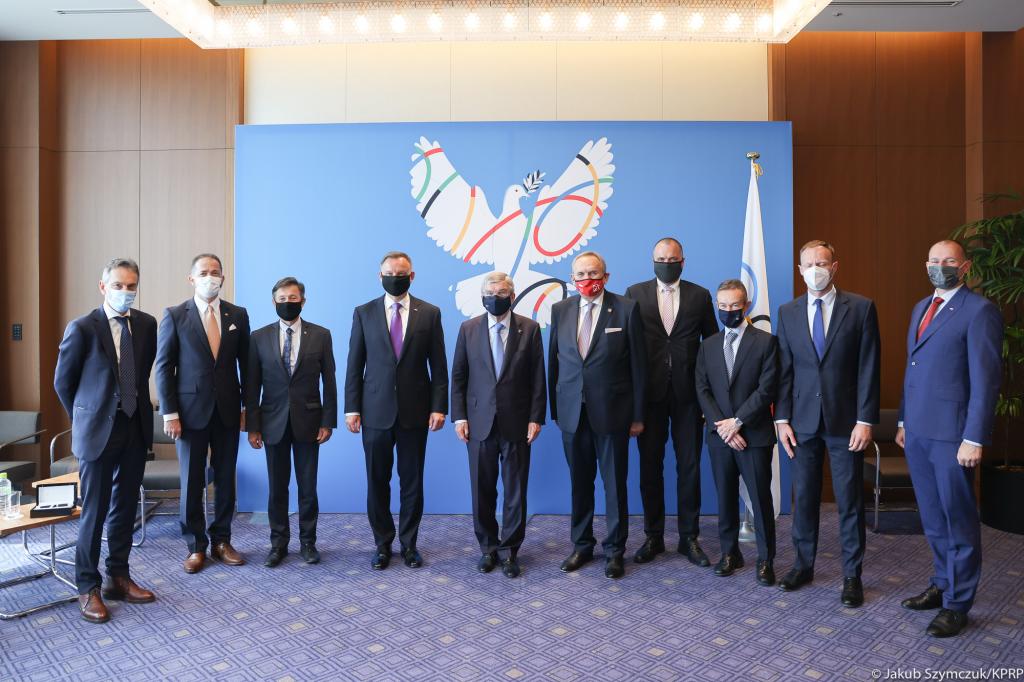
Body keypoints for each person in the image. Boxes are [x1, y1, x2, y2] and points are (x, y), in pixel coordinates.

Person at [895, 240, 1002, 638]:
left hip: (953, 436)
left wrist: (974, 437)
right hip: (918, 432)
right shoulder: (921, 307)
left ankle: (958, 603)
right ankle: (942, 583)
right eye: (934, 261)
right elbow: (914, 369)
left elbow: (985, 380)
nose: (940, 267)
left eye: (949, 261)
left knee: (957, 520)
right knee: (933, 517)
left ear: (965, 267)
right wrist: (903, 420)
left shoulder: (980, 311)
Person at [774, 239, 880, 607]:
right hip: (801, 422)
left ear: (834, 267)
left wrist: (865, 420)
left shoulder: (861, 308)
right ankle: (803, 565)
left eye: (822, 263)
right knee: (804, 497)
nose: (815, 269)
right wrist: (782, 418)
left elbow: (869, 368)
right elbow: (784, 370)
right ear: (800, 270)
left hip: (846, 423)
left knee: (849, 501)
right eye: (809, 264)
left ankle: (852, 575)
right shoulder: (787, 312)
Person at [54, 258, 158, 623]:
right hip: (97, 431)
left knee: (125, 508)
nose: (125, 292)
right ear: (103, 287)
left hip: (134, 427)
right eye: (118, 285)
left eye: (131, 286)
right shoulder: (82, 327)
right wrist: (86, 418)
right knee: (94, 511)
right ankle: (88, 586)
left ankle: (118, 577)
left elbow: (142, 373)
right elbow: (63, 383)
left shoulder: (147, 324)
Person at [344, 252, 448, 570]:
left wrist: (439, 407)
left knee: (412, 482)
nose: (394, 278)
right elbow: (354, 364)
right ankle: (382, 544)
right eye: (389, 273)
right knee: (377, 481)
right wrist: (351, 408)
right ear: (380, 276)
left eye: (401, 273)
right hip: (374, 412)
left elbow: (439, 366)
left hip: (415, 412)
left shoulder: (430, 313)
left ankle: (409, 544)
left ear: (411, 276)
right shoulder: (364, 312)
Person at [548, 251, 646, 580]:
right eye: (580, 274)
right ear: (572, 278)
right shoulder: (560, 309)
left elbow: (639, 367)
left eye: (593, 273)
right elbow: (554, 362)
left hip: (614, 413)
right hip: (572, 413)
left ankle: (615, 550)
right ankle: (582, 545)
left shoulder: (626, 308)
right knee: (579, 484)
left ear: (606, 276)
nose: (587, 279)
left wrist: (638, 415)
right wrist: (556, 409)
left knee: (614, 485)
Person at [625, 237, 718, 566]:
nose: (666, 263)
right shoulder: (635, 294)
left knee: (689, 468)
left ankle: (688, 537)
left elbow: (712, 346)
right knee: (650, 468)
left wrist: (710, 401)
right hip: (649, 398)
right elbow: (627, 348)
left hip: (688, 398)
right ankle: (653, 536)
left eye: (672, 259)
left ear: (683, 261)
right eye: (661, 259)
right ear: (653, 261)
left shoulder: (700, 296)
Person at [155, 254, 250, 574]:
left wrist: (247, 407)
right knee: (193, 481)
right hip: (189, 414)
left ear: (223, 278)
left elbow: (247, 365)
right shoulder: (174, 315)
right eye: (204, 272)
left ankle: (222, 541)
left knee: (225, 480)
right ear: (191, 279)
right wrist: (169, 413)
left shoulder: (237, 314)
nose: (211, 277)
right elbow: (164, 367)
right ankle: (195, 546)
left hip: (227, 411)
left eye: (216, 272)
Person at [451, 272, 546, 578]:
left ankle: (510, 551)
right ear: (482, 297)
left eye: (502, 292)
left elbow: (538, 377)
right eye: (490, 293)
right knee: (482, 490)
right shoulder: (468, 329)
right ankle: (488, 548)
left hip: (517, 422)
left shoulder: (530, 328)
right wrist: (459, 417)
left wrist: (536, 417)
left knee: (515, 491)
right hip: (478, 423)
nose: (495, 298)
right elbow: (459, 376)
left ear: (512, 295)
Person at [245, 277, 337, 567]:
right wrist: (253, 427)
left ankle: (308, 543)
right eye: (282, 299)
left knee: (308, 488)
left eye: (293, 298)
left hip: (309, 421)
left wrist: (328, 421)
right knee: (277, 488)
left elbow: (330, 382)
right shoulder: (258, 337)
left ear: (303, 301)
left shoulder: (321, 335)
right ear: (274, 302)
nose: (288, 303)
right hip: (271, 422)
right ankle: (278, 544)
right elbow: (252, 386)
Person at [695, 280, 779, 585]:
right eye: (722, 305)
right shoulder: (708, 345)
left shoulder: (766, 342)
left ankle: (766, 559)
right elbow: (702, 389)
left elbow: (767, 389)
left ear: (745, 306)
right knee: (725, 497)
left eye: (734, 305)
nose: (728, 310)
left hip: (754, 436)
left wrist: (738, 422)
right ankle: (729, 553)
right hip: (720, 436)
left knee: (760, 499)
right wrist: (724, 426)